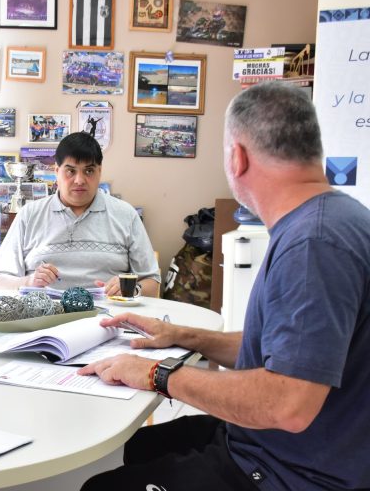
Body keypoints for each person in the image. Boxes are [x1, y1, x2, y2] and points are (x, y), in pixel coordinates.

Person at [79, 81, 370, 490]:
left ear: (237, 157)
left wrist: (156, 374)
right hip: (279, 446)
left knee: (100, 487)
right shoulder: (331, 219)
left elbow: (288, 403)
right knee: (138, 445)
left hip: (289, 472)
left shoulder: (313, 243)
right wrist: (183, 336)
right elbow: (284, 351)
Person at [0, 132, 160, 297]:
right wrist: (29, 282)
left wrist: (131, 289)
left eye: (89, 171)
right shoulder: (29, 215)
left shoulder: (126, 215)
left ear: (99, 172)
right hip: (45, 313)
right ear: (57, 171)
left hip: (110, 313)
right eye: (70, 171)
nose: (79, 180)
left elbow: (152, 282)